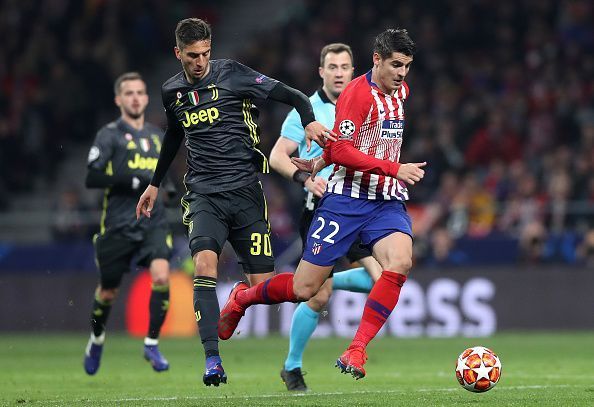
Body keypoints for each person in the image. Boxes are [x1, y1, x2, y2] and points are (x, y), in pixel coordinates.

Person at [135, 18, 334, 387]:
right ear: (178, 53)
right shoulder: (172, 91)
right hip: (203, 195)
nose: (200, 62)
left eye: (206, 54)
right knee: (205, 266)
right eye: (192, 56)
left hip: (245, 193)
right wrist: (154, 183)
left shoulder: (232, 74)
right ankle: (212, 360)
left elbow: (295, 95)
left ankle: (240, 298)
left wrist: (308, 122)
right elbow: (174, 135)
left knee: (266, 287)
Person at [218, 28, 426, 380]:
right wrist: (395, 168)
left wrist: (319, 161)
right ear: (377, 60)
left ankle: (356, 350)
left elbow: (345, 144)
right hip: (344, 202)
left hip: (384, 200)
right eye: (395, 65)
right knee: (305, 290)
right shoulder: (357, 96)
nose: (402, 74)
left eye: (406, 66)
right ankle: (243, 298)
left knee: (400, 262)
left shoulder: (400, 91)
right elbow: (346, 149)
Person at [269, 43, 382, 391]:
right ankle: (292, 366)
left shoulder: (364, 100)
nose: (338, 72)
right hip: (321, 210)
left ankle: (324, 281)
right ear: (321, 71)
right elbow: (276, 156)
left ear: (352, 70)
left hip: (360, 206)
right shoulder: (307, 110)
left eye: (344, 66)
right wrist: (305, 178)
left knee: (383, 280)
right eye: (331, 66)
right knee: (316, 298)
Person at [83, 72, 173, 375]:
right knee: (107, 292)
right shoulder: (108, 135)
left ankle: (151, 344)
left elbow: (166, 181)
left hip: (153, 222)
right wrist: (132, 180)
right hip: (119, 224)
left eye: (139, 92)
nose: (135, 97)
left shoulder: (157, 137)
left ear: (146, 98)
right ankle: (96, 338)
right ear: (118, 100)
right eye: (129, 93)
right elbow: (92, 177)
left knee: (161, 276)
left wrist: (172, 192)